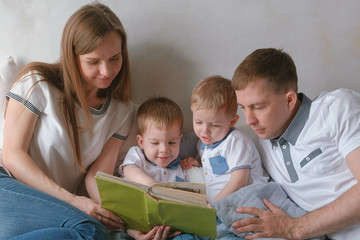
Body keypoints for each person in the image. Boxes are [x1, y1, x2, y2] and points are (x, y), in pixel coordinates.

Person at [0, 3, 167, 240]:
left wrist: (127, 226)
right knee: (89, 230)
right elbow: (13, 155)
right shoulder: (37, 83)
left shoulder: (122, 112)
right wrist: (72, 201)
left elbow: (97, 179)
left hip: (57, 211)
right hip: (8, 188)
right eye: (93, 62)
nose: (106, 71)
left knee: (95, 231)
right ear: (73, 57)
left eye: (114, 59)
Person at [231, 48, 360, 240]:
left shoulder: (336, 108)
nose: (249, 120)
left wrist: (295, 228)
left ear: (289, 100)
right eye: (243, 108)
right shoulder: (258, 145)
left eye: (257, 107)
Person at [181, 75, 269, 203]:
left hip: (246, 198)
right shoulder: (203, 144)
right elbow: (217, 173)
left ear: (232, 121)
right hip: (219, 202)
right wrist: (198, 165)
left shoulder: (237, 142)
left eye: (214, 125)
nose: (204, 130)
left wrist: (212, 207)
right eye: (198, 122)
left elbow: (239, 182)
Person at [119, 96, 187, 238]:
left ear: (180, 140)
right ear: (141, 142)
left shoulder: (179, 167)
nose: (164, 150)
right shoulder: (138, 155)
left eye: (172, 142)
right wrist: (154, 186)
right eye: (155, 143)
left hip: (168, 226)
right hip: (133, 223)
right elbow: (129, 170)